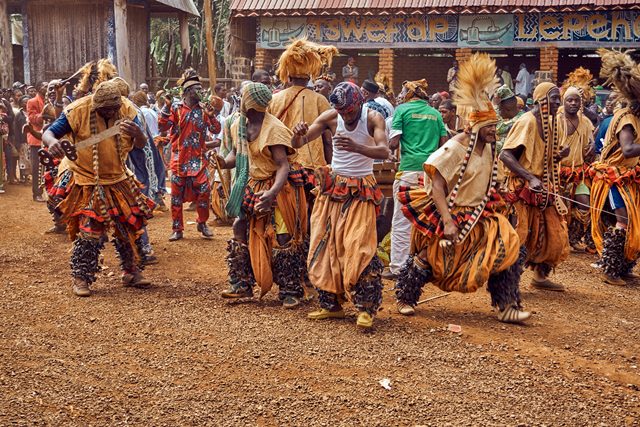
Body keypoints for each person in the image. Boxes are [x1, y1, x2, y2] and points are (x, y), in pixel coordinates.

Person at [395, 53, 531, 323]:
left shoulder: (490, 147)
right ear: (477, 126)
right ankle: (406, 297)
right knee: (431, 257)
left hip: (482, 213)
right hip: (453, 210)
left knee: (510, 248)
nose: (495, 131)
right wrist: (446, 220)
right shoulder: (457, 145)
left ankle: (506, 305)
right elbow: (435, 182)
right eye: (491, 127)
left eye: (495, 126)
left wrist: (501, 199)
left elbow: (490, 179)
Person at [41, 80, 155, 297]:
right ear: (96, 106)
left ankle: (131, 272)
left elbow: (140, 145)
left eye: (112, 110)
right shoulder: (77, 110)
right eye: (104, 110)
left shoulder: (128, 110)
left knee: (129, 226)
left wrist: (138, 133)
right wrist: (52, 143)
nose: (109, 113)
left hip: (118, 177)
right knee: (89, 230)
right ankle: (81, 278)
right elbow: (49, 132)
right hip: (86, 178)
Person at [291, 82, 389, 329]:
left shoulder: (373, 118)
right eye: (342, 112)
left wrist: (357, 147)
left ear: (359, 104)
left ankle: (365, 308)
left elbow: (384, 151)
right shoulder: (330, 116)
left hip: (361, 190)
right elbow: (297, 144)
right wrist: (298, 132)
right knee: (325, 245)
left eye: (349, 112)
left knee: (359, 246)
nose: (345, 116)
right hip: (333, 187)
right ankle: (330, 304)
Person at [218, 82, 308, 308]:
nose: (239, 100)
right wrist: (221, 162)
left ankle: (290, 289)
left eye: (242, 97)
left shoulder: (274, 129)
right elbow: (235, 155)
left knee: (283, 236)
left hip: (279, 187)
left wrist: (272, 193)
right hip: (253, 185)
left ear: (251, 104)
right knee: (239, 226)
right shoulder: (239, 125)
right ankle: (241, 284)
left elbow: (283, 166)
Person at [500, 82, 570, 291]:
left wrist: (559, 155)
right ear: (540, 99)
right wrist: (530, 178)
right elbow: (505, 154)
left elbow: (542, 155)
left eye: (559, 98)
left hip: (543, 188)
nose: (558, 102)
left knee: (554, 236)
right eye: (554, 98)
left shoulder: (550, 122)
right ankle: (507, 285)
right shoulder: (527, 121)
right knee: (519, 237)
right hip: (523, 188)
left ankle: (540, 277)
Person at [387, 79, 447, 279]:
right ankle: (425, 266)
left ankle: (398, 268)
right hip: (431, 175)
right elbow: (444, 145)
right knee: (428, 222)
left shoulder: (402, 111)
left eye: (403, 93)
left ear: (408, 94)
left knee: (402, 222)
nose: (401, 96)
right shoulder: (436, 114)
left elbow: (394, 143)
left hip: (408, 172)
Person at [589, 49, 640, 286]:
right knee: (623, 220)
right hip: (614, 177)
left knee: (634, 221)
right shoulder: (626, 117)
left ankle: (624, 266)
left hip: (630, 177)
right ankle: (610, 270)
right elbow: (628, 149)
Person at [158, 69, 221, 241]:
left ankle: (202, 222)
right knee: (176, 197)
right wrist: (166, 105)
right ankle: (177, 229)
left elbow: (216, 130)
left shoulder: (203, 110)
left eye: (201, 89)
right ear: (187, 92)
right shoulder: (176, 109)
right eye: (197, 89)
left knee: (204, 191)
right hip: (179, 160)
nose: (201, 92)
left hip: (199, 160)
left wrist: (212, 116)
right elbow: (162, 126)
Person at [557, 86, 595, 252]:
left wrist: (592, 147)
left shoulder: (585, 121)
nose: (573, 103)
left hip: (578, 172)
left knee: (584, 205)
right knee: (558, 207)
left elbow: (590, 144)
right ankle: (559, 239)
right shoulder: (556, 120)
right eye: (569, 100)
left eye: (576, 100)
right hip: (557, 171)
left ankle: (573, 238)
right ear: (563, 101)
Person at [26, 81, 47, 202]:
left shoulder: (50, 100)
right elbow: (32, 119)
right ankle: (37, 193)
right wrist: (45, 112)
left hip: (50, 138)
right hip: (36, 139)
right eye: (43, 86)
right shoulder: (32, 101)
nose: (46, 87)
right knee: (37, 168)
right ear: (39, 89)